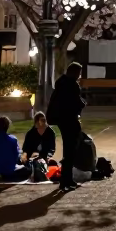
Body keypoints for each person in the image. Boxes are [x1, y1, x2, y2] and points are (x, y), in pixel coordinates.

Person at [47, 61, 86, 191]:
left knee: (68, 150)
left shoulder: (61, 83)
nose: (79, 76)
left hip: (62, 120)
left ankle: (67, 179)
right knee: (70, 151)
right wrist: (82, 104)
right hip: (69, 120)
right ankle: (66, 181)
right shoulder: (71, 85)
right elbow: (74, 103)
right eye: (79, 73)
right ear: (74, 72)